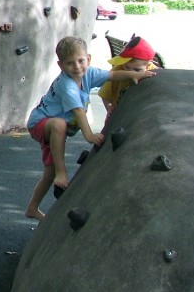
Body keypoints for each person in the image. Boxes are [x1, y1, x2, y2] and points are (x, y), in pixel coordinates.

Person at [23, 36, 156, 221]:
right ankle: (62, 173)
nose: (77, 67)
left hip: (54, 131)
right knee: (59, 125)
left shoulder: (89, 74)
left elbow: (112, 75)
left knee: (49, 173)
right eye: (70, 63)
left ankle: (32, 208)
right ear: (61, 66)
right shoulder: (67, 86)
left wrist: (134, 75)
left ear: (89, 59)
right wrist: (89, 135)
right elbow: (78, 111)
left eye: (80, 61)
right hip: (41, 123)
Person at [99, 35, 158, 118]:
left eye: (137, 70)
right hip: (118, 115)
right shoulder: (116, 72)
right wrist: (109, 108)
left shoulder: (153, 73)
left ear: (148, 64)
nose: (130, 73)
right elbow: (105, 95)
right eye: (126, 67)